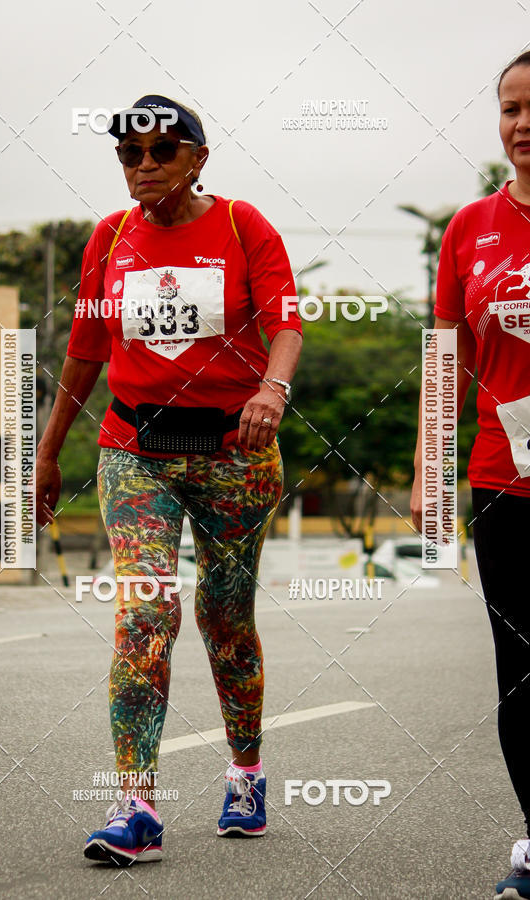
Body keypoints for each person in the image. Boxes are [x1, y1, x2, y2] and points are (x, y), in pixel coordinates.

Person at [35, 94, 302, 865]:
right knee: (144, 616)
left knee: (224, 616)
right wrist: (50, 451)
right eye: (128, 155)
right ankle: (137, 807)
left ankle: (246, 773)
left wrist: (271, 390)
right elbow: (86, 349)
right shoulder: (110, 238)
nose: (144, 166)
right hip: (135, 448)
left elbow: (286, 320)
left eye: (160, 151)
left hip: (234, 451)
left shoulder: (244, 225)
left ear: (198, 156)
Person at [410, 54, 530, 900]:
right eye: (510, 109)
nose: (522, 125)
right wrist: (431, 465)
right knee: (522, 677)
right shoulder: (470, 229)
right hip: (505, 483)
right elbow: (445, 358)